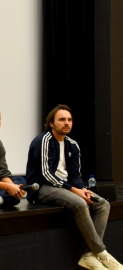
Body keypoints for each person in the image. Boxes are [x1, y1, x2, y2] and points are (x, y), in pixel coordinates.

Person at [26, 104, 123, 270]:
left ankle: (88, 255)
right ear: (51, 123)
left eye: (69, 120)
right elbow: (46, 174)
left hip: (66, 187)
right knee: (79, 203)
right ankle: (101, 253)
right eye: (62, 120)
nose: (66, 123)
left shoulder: (73, 145)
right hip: (41, 188)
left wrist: (82, 188)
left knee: (102, 204)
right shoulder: (43, 141)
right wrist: (74, 190)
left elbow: (75, 175)